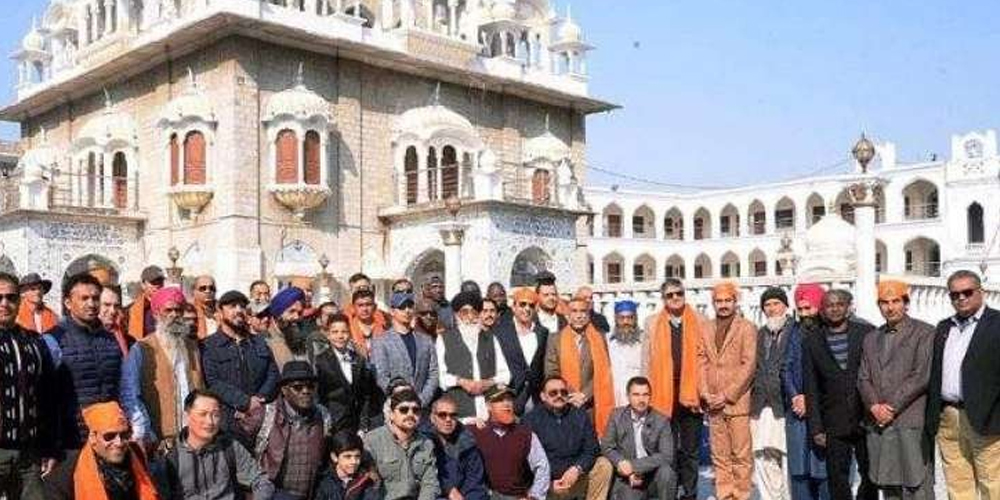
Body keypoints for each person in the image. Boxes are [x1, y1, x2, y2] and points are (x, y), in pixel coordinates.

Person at [925, 269, 1000, 500]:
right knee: (957, 483)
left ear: (981, 292)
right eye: (955, 294)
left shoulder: (997, 324)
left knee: (992, 483)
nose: (961, 298)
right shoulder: (944, 327)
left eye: (967, 292)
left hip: (987, 419)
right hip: (948, 417)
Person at [857, 281, 934, 500]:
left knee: (916, 484)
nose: (890, 308)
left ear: (906, 303)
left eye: (896, 301)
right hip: (879, 423)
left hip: (909, 420)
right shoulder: (871, 338)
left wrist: (890, 408)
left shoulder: (924, 332)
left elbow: (921, 375)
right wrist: (873, 406)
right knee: (888, 484)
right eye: (884, 302)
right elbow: (863, 377)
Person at [803, 289, 877, 500]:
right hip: (832, 420)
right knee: (837, 476)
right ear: (823, 310)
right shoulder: (812, 340)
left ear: (848, 307)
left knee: (871, 473)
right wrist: (816, 427)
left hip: (866, 417)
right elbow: (811, 387)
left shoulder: (867, 333)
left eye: (839, 304)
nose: (834, 309)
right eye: (829, 305)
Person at [44, 273, 124, 452]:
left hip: (109, 435)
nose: (91, 304)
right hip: (72, 437)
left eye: (95, 298)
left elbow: (120, 387)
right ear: (68, 303)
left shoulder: (111, 339)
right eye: (84, 298)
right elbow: (47, 397)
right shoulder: (53, 339)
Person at [642, 278, 704, 500]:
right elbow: (646, 360)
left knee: (690, 450)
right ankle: (669, 490)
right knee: (667, 449)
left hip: (691, 395)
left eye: (679, 293)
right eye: (670, 295)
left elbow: (705, 359)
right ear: (663, 299)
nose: (675, 298)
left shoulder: (699, 320)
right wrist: (646, 393)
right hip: (662, 395)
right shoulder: (651, 323)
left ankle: (690, 493)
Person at [120, 286, 204, 450]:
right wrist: (144, 431)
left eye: (178, 310)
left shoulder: (193, 347)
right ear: (157, 314)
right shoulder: (142, 348)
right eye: (168, 310)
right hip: (158, 440)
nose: (174, 315)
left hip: (192, 436)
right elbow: (130, 394)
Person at [153, 389, 275, 499]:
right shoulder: (170, 458)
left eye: (215, 415)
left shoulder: (230, 447)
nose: (210, 421)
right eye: (203, 414)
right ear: (187, 416)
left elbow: (261, 480)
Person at [0, 272, 57, 500]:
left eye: (10, 297)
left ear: (19, 300)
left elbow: (46, 396)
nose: (4, 303)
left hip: (28, 451)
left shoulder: (33, 342)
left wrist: (49, 445)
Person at [698, 281, 757, 500]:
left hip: (736, 401)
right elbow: (701, 360)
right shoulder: (706, 327)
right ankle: (724, 494)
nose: (723, 305)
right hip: (713, 401)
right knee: (719, 454)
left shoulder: (746, 327)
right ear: (713, 303)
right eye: (719, 301)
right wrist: (705, 392)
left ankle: (741, 495)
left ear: (735, 301)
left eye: (727, 300)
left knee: (741, 454)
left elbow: (748, 365)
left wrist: (727, 395)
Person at [201, 290, 279, 446]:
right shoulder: (208, 346)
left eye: (242, 306)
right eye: (232, 306)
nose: (238, 310)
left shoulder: (259, 342)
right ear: (220, 311)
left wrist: (259, 399)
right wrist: (244, 402)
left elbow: (273, 373)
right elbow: (212, 381)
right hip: (227, 423)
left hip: (261, 422)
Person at [243, 361, 331, 499]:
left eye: (310, 386)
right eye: (298, 387)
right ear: (284, 390)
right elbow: (240, 455)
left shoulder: (323, 416)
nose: (305, 391)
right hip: (271, 494)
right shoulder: (264, 415)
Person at [43, 402, 159, 500]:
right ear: (93, 438)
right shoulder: (64, 476)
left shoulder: (135, 454)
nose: (119, 443)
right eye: (109, 436)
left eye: (124, 435)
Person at [524, 375, 613, 500]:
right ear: (543, 396)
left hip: (575, 477)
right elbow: (527, 460)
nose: (559, 396)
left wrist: (577, 469)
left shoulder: (579, 414)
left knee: (603, 465)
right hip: (549, 484)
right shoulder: (531, 420)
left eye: (563, 392)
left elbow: (592, 449)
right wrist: (547, 484)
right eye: (553, 393)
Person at [436, 291, 511, 420]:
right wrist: (461, 382)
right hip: (459, 416)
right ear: (456, 315)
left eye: (474, 312)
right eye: (464, 312)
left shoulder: (491, 338)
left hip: (488, 414)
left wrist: (487, 383)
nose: (470, 317)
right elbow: (440, 376)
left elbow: (505, 375)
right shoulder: (444, 339)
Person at [784, 284, 828, 500]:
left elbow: (831, 374)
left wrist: (811, 399)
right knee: (799, 470)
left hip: (822, 411)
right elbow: (786, 367)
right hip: (797, 410)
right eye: (800, 309)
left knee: (823, 470)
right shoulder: (793, 331)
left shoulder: (829, 331)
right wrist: (795, 396)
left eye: (808, 308)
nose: (804, 314)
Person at [600, 377, 676, 500]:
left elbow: (666, 456)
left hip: (653, 475)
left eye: (645, 395)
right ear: (628, 396)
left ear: (650, 396)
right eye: (636, 395)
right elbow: (607, 446)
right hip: (628, 477)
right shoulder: (616, 416)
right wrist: (623, 465)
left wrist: (634, 466)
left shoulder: (661, 420)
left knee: (667, 473)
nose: (641, 399)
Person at [469, 385, 550, 500]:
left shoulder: (525, 434)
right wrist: (468, 420)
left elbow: (542, 467)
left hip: (517, 496)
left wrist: (535, 496)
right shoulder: (476, 431)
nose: (507, 404)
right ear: (488, 406)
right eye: (500, 400)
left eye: (509, 399)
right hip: (487, 495)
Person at [750, 287, 794, 500]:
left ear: (785, 306)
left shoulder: (797, 331)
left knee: (785, 456)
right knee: (763, 455)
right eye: (767, 305)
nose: (772, 309)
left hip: (785, 405)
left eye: (776, 303)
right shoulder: (760, 334)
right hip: (761, 405)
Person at [364, 389, 440, 500]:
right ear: (391, 415)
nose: (410, 414)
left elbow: (430, 484)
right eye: (404, 410)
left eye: (415, 410)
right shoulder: (373, 440)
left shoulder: (426, 443)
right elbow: (368, 486)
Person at [371, 292, 439, 406]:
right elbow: (381, 376)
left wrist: (422, 399)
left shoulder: (426, 340)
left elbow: (433, 373)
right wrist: (401, 399)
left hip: (422, 405)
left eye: (410, 307)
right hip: (395, 405)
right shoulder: (381, 341)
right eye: (402, 307)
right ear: (392, 311)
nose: (407, 311)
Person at [315, 313, 377, 434]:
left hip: (356, 422)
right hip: (332, 423)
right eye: (335, 332)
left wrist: (363, 425)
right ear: (328, 334)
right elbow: (319, 396)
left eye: (344, 332)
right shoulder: (320, 361)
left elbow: (364, 395)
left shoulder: (358, 359)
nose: (340, 336)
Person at [493, 287, 549, 414]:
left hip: (536, 397)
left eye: (531, 305)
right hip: (510, 395)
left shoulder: (542, 332)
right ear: (513, 307)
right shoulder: (500, 332)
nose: (527, 309)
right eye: (522, 304)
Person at [422, 395, 489, 500]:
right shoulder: (422, 443)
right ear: (432, 417)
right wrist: (448, 488)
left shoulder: (468, 444)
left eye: (453, 415)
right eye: (442, 415)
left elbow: (475, 484)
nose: (448, 419)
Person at [313, 431, 380, 500]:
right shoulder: (323, 481)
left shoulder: (365, 481)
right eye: (347, 456)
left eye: (357, 456)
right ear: (334, 457)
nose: (354, 462)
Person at [260, 286, 312, 369]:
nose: (296, 317)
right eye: (291, 311)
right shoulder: (265, 340)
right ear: (278, 313)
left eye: (299, 312)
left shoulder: (299, 336)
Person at [607, 300, 646, 406]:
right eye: (621, 318)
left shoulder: (644, 343)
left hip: (639, 401)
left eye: (630, 318)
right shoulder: (608, 343)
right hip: (615, 401)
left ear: (636, 319)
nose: (626, 322)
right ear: (615, 320)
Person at [126, 265, 165, 340]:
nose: (157, 285)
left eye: (160, 281)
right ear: (143, 284)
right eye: (153, 282)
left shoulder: (171, 306)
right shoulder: (131, 310)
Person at [348, 289, 387, 358]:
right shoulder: (347, 329)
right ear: (353, 307)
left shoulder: (386, 327)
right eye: (360, 305)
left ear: (375, 307)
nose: (365, 309)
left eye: (368, 305)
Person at [99, 285, 132, 357]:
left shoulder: (128, 340)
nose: (113, 311)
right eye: (107, 305)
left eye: (116, 306)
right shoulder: (87, 337)